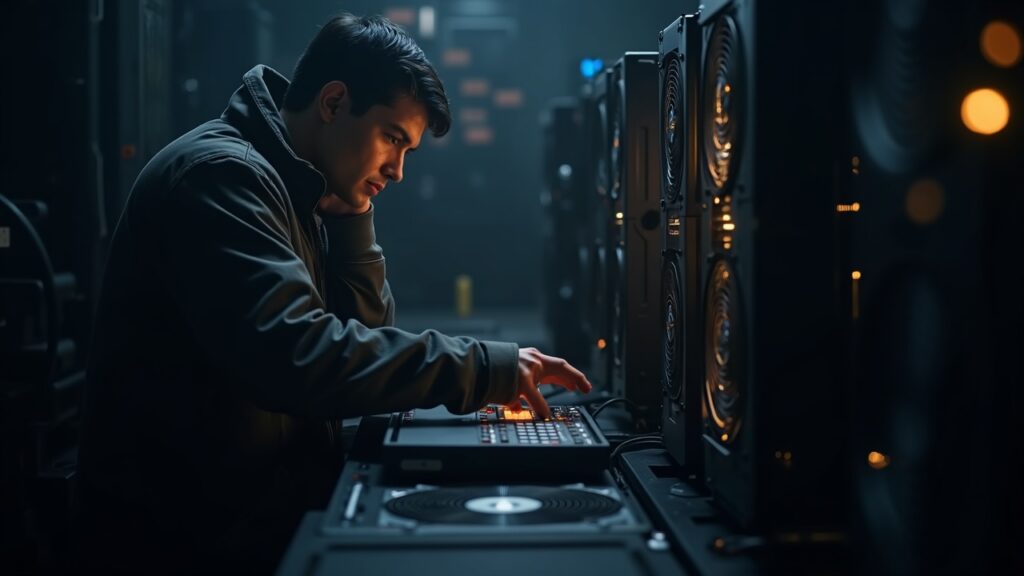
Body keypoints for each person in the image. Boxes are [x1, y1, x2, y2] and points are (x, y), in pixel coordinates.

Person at [75, 13, 592, 574]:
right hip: (179, 547)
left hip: (241, 523)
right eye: (393, 138)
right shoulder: (220, 178)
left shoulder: (299, 186)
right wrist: (481, 369)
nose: (396, 170)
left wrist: (354, 224)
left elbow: (365, 342)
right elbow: (304, 357)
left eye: (407, 151)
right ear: (333, 102)